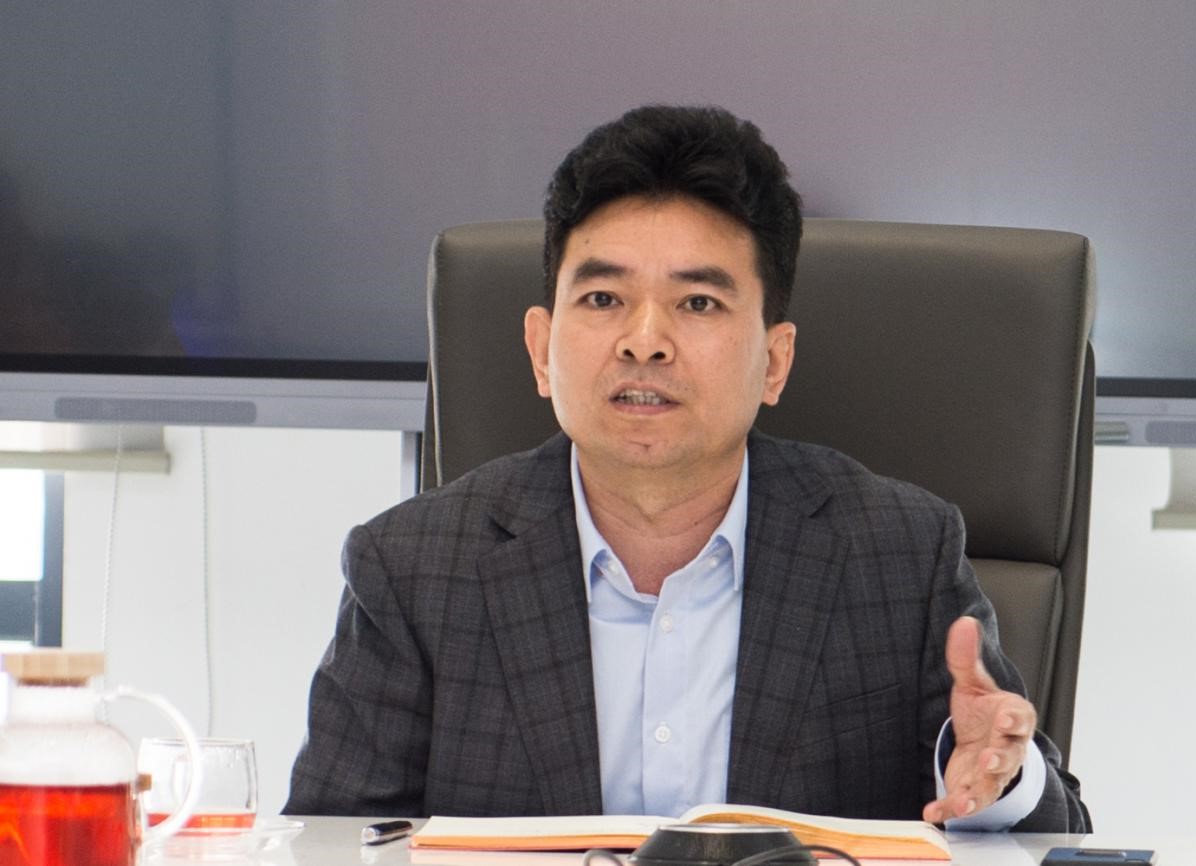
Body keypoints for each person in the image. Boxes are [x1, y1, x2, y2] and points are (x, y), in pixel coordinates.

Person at [285, 105, 1089, 832]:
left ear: (774, 362)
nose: (644, 341)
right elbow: (327, 846)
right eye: (603, 299)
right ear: (539, 349)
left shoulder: (897, 553)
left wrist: (999, 781)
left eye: (697, 303)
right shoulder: (414, 569)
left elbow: (1051, 828)